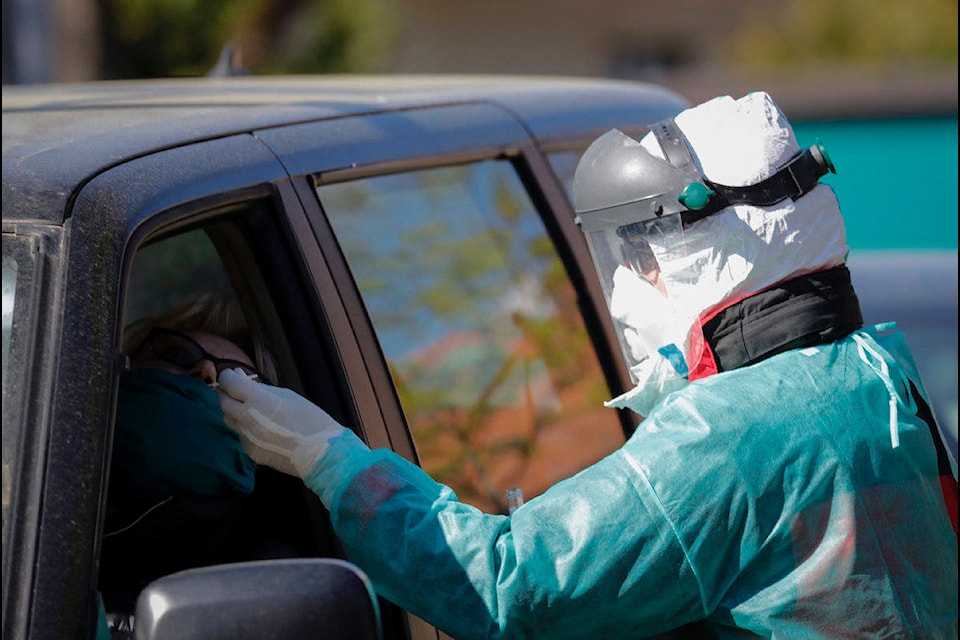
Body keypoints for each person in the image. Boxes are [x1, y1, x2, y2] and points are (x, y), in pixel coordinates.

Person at [216, 92, 958, 639]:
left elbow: (508, 586)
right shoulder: (873, 374)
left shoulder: (726, 436)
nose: (632, 279)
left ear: (708, 250)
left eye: (641, 251)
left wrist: (329, 460)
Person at [97, 293, 282, 636]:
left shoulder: (271, 578)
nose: (207, 370)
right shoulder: (26, 471)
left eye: (240, 380)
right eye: (178, 353)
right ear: (124, 366)